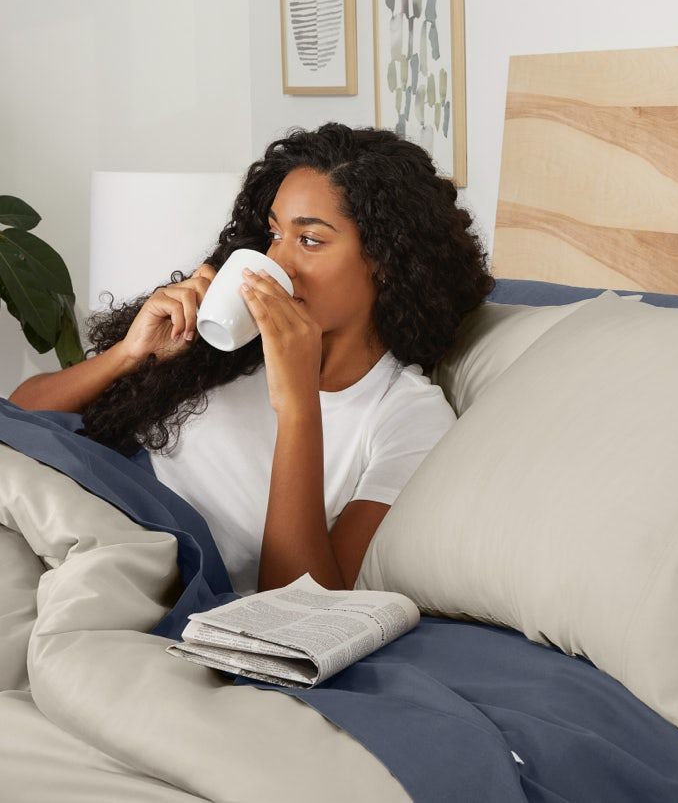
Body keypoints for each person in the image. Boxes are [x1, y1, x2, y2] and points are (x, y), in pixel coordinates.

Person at [10, 123, 495, 597]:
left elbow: (303, 603)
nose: (278, 263)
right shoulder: (228, 339)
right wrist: (128, 355)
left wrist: (298, 405)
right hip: (79, 487)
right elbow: (21, 414)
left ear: (387, 260)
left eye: (309, 240)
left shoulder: (408, 415)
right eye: (274, 234)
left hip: (150, 557)